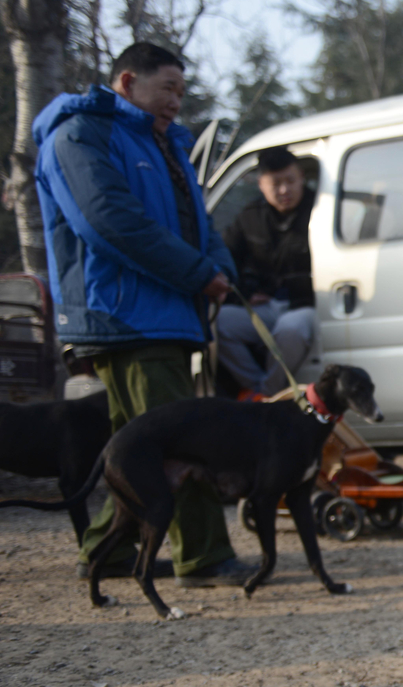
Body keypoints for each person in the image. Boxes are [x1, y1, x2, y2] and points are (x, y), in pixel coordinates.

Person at [34, 42, 256, 585]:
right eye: (167, 89)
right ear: (128, 82)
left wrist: (220, 268)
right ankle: (204, 558)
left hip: (168, 313)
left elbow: (198, 226)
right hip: (126, 316)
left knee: (135, 445)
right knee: (184, 438)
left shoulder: (166, 145)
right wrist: (197, 274)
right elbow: (109, 222)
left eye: (182, 91)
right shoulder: (80, 135)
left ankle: (106, 553)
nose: (177, 101)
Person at [216, 147, 316, 398]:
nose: (284, 190)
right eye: (276, 183)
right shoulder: (250, 217)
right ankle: (259, 389)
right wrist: (244, 293)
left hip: (305, 306)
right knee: (219, 323)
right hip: (267, 306)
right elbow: (224, 259)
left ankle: (268, 397)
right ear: (260, 184)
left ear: (302, 177)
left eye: (290, 181)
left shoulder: (320, 210)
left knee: (289, 330)